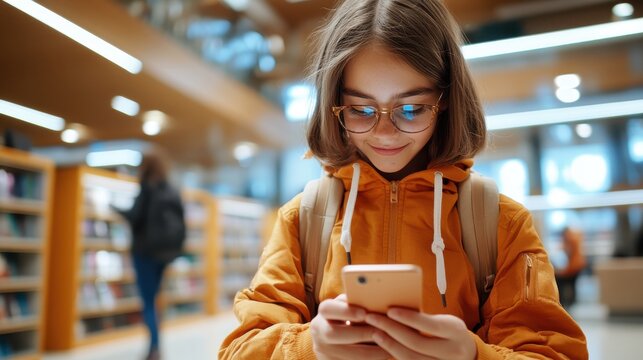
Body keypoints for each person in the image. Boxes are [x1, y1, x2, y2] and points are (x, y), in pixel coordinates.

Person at [219, 0, 588, 358]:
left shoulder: (502, 225)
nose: (385, 133)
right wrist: (308, 347)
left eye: (411, 109)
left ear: (445, 101)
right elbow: (238, 351)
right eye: (360, 110)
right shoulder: (302, 220)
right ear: (335, 106)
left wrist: (472, 356)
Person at [115, 149, 185, 360]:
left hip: (145, 252)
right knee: (155, 299)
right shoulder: (172, 190)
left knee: (147, 301)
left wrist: (116, 209)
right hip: (164, 254)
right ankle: (156, 345)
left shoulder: (146, 188)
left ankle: (154, 347)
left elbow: (135, 216)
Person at [555, 227, 587, 309]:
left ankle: (563, 299)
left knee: (560, 279)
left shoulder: (569, 239)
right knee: (572, 284)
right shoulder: (573, 238)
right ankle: (571, 300)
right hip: (577, 265)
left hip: (574, 266)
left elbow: (568, 251)